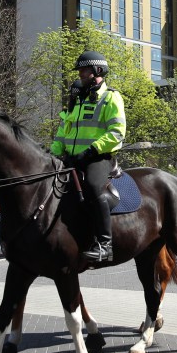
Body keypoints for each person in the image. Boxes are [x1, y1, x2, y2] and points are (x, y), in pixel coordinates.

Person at [50, 51, 126, 263]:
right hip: (73, 158)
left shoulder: (111, 96)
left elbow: (117, 132)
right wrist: (52, 154)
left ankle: (104, 244)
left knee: (92, 188)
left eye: (84, 70)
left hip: (98, 157)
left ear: (97, 71)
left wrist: (91, 151)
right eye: (80, 70)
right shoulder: (77, 99)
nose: (80, 74)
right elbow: (63, 132)